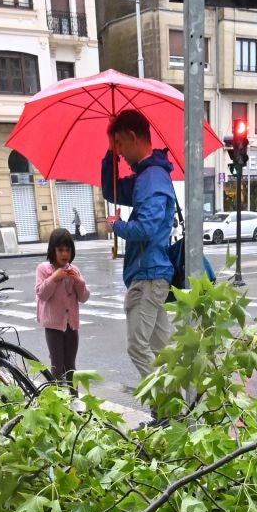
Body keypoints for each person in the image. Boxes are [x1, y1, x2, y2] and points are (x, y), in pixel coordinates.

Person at [100, 108, 177, 382]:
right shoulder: (147, 176)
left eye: (119, 144)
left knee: (138, 347)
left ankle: (166, 404)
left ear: (132, 137)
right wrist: (110, 152)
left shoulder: (152, 178)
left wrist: (116, 226)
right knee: (162, 349)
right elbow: (112, 191)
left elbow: (147, 228)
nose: (119, 152)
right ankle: (176, 405)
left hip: (148, 275)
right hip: (151, 274)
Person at [35, 227, 90, 386]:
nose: (65, 254)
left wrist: (80, 283)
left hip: (71, 325)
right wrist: (54, 278)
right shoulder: (44, 269)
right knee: (57, 367)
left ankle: (74, 401)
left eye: (68, 250)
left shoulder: (74, 270)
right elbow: (42, 294)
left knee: (71, 366)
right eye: (60, 250)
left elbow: (84, 297)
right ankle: (58, 402)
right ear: (53, 250)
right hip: (53, 326)